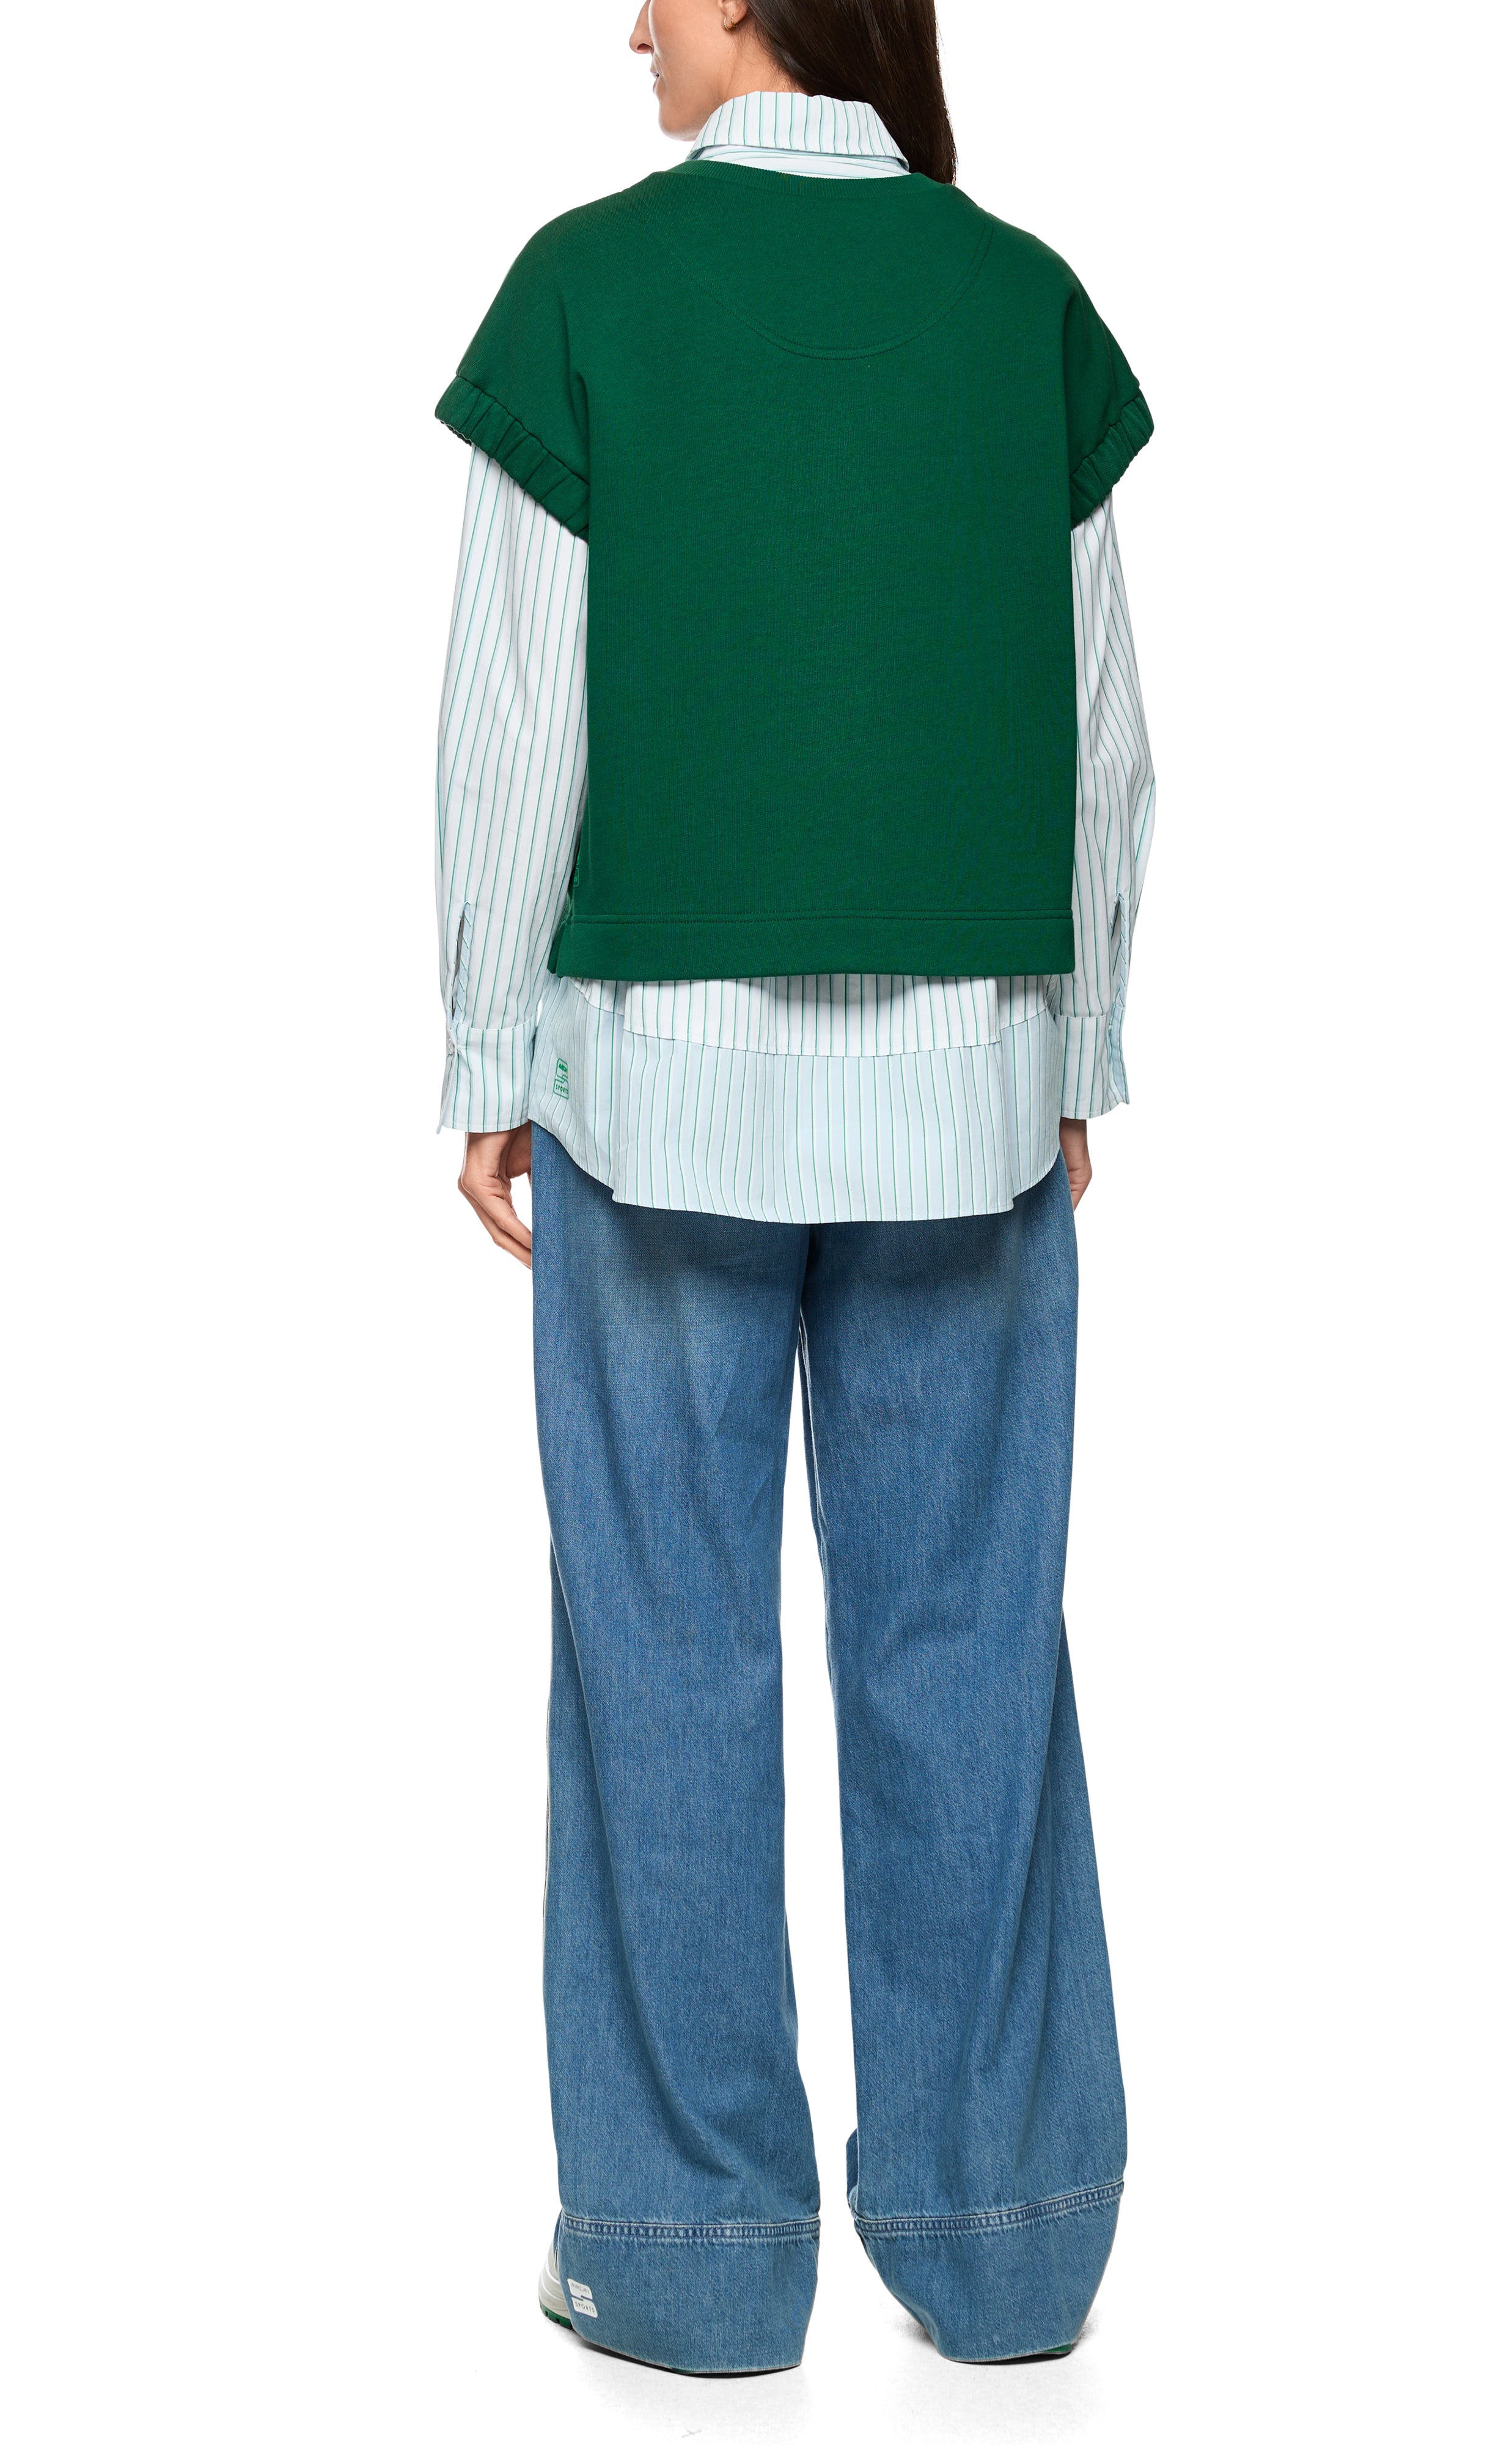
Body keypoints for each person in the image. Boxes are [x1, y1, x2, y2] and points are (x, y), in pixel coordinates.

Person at [433, 0, 1155, 2377]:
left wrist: (488, 1050)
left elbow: (515, 712)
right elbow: (1104, 725)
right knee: (971, 1645)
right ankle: (1010, 2238)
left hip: (658, 1088)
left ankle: (686, 2251)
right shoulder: (1018, 303)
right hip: (968, 1099)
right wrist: (1076, 1039)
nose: (630, 16)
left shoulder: (587, 293)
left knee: (661, 1643)